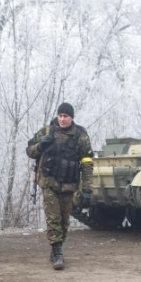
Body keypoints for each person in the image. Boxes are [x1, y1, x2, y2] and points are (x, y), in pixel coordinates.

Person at [26, 102, 94, 270]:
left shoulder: (80, 136)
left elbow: (87, 163)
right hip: (48, 183)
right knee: (53, 218)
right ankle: (57, 252)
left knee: (64, 221)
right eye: (60, 116)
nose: (62, 119)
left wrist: (87, 189)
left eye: (66, 116)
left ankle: (57, 248)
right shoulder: (46, 131)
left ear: (72, 118)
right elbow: (29, 151)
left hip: (69, 185)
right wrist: (40, 145)